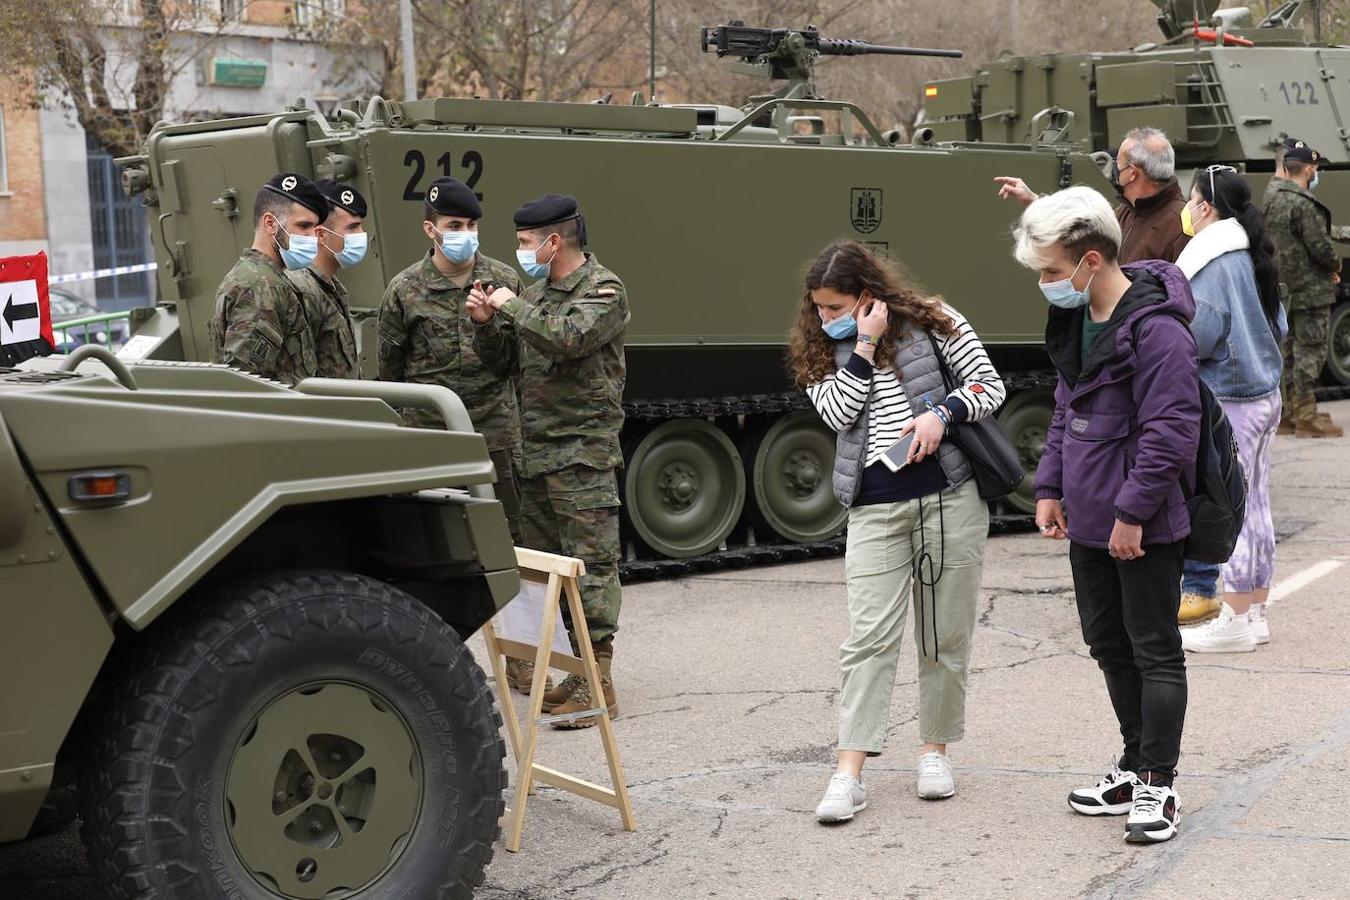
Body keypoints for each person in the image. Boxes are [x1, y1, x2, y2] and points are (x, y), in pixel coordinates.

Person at [789, 240, 1005, 822]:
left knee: (944, 634)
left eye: (834, 306)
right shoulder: (819, 349)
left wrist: (943, 413)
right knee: (866, 640)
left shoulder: (936, 320)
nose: (823, 318)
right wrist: (858, 342)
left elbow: (991, 387)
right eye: (818, 308)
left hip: (948, 498)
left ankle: (934, 752)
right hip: (874, 507)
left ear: (866, 293)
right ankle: (848, 773)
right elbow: (837, 414)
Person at [1017, 186, 1199, 844]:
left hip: (1140, 521)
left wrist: (1132, 514)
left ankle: (1159, 783)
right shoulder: (1079, 319)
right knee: (1108, 645)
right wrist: (1049, 487)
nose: (1045, 284)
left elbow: (1171, 432)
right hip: (1092, 518)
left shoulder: (1157, 329)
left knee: (1154, 651)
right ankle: (1132, 762)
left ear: (1092, 261)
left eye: (1051, 271)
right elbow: (1068, 411)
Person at [468, 194, 628, 728]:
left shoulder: (603, 289)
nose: (519, 251)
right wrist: (486, 324)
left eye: (524, 242)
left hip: (582, 454)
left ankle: (596, 679)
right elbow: (505, 365)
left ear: (553, 241)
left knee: (591, 566)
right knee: (547, 570)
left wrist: (511, 306)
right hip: (536, 453)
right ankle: (570, 671)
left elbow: (569, 339)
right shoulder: (534, 295)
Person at [377, 177, 536, 691]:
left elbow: (518, 360)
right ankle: (432, 663)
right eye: (454, 226)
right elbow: (391, 375)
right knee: (430, 551)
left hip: (495, 436)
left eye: (470, 226)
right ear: (431, 229)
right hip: (434, 444)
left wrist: (492, 322)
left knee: (511, 546)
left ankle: (522, 657)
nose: (465, 234)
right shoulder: (404, 290)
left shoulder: (502, 278)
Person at [1171, 167, 1288, 642]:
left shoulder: (1213, 261)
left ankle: (1235, 620)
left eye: (1192, 199)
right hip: (1264, 395)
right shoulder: (1250, 252)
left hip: (1230, 400)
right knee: (1256, 504)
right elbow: (1278, 325)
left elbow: (1198, 336)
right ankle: (1254, 613)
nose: (1187, 208)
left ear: (1206, 207)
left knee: (1231, 508)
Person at [995, 127, 1189, 263]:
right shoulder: (1128, 211)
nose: (1114, 168)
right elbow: (1086, 228)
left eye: (1118, 164)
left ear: (1132, 173)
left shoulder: (1179, 227)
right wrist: (1034, 201)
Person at [1263, 138, 1344, 439]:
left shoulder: (1273, 196)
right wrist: (1335, 266)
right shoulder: (1302, 203)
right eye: (1316, 167)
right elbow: (1321, 248)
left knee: (1290, 349)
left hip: (1287, 286)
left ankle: (1290, 411)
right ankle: (1307, 415)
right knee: (1311, 349)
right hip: (1311, 288)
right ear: (1309, 169)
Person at [211, 173, 326, 385]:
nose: (313, 237)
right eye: (303, 226)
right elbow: (246, 384)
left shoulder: (264, 277)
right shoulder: (259, 286)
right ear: (271, 224)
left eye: (315, 227)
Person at [288, 180, 366, 379]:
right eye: (352, 227)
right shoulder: (302, 291)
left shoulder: (331, 287)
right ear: (322, 235)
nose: (362, 234)